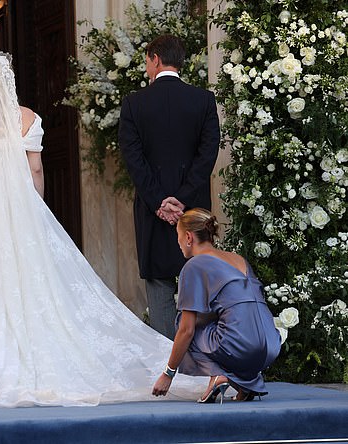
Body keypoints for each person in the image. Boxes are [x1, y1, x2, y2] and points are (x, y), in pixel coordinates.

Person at [0, 53, 207, 408]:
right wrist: (34, 210)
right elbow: (36, 171)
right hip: (22, 200)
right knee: (36, 278)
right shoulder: (28, 118)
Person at [118, 34, 220, 340]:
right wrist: (183, 199)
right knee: (199, 278)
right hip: (195, 208)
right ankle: (201, 355)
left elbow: (133, 158)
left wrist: (160, 201)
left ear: (154, 59)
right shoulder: (203, 100)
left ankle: (165, 360)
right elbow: (208, 154)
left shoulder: (134, 103)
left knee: (159, 282)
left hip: (154, 211)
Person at [152, 208, 281, 403]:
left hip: (240, 345)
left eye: (177, 236)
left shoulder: (194, 266)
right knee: (219, 320)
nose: (177, 243)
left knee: (184, 324)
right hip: (270, 344)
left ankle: (218, 375)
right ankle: (244, 384)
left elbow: (186, 331)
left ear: (188, 237)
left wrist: (168, 374)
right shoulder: (238, 259)